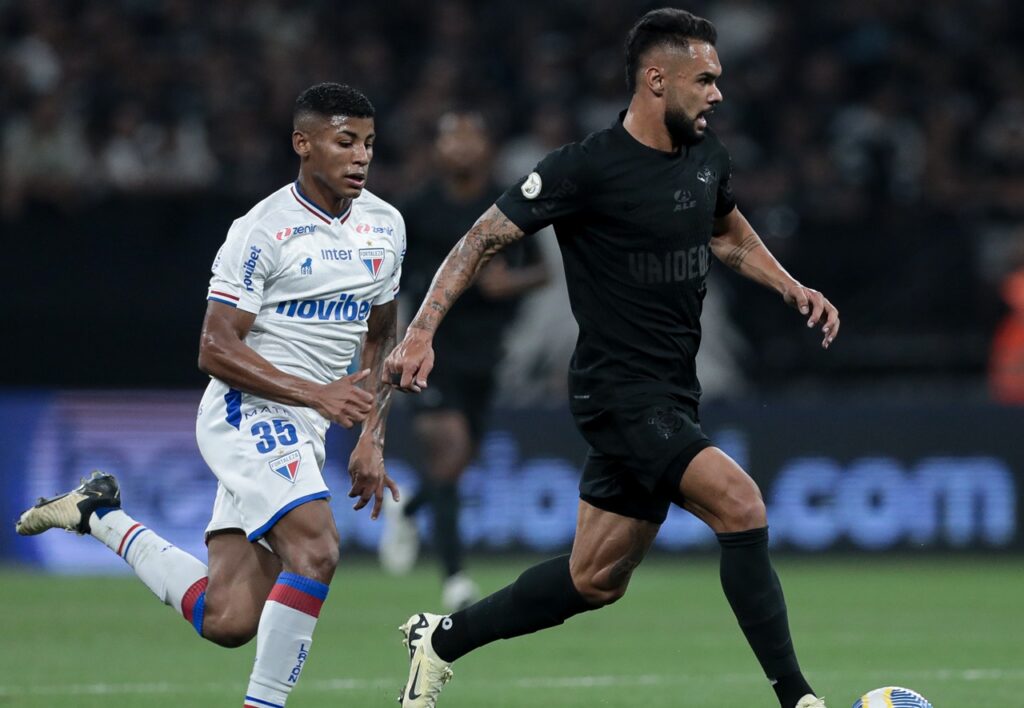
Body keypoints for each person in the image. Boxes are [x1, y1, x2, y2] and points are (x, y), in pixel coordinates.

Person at [384, 9, 838, 708]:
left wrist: (791, 286)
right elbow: (480, 239)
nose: (718, 93)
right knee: (741, 504)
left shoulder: (707, 159)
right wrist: (420, 331)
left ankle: (441, 640)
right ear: (657, 80)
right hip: (617, 393)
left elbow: (730, 234)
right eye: (705, 79)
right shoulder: (584, 168)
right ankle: (799, 699)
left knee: (593, 579)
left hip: (672, 391)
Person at [16, 82, 404, 708]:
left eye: (368, 143)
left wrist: (371, 434)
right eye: (344, 142)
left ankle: (97, 513)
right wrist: (317, 394)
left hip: (309, 422)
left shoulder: (386, 226)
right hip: (246, 411)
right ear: (303, 144)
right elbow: (214, 348)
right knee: (318, 548)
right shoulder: (260, 231)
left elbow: (382, 335)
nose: (360, 156)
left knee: (228, 620)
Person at [378, 110, 548, 611]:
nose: (460, 147)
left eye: (470, 136)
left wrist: (504, 284)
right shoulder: (418, 209)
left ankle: (409, 511)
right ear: (437, 150)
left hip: (486, 352)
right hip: (432, 345)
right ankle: (454, 579)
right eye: (450, 137)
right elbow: (393, 278)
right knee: (448, 450)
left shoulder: (510, 203)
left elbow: (541, 274)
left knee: (460, 460)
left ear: (487, 147)